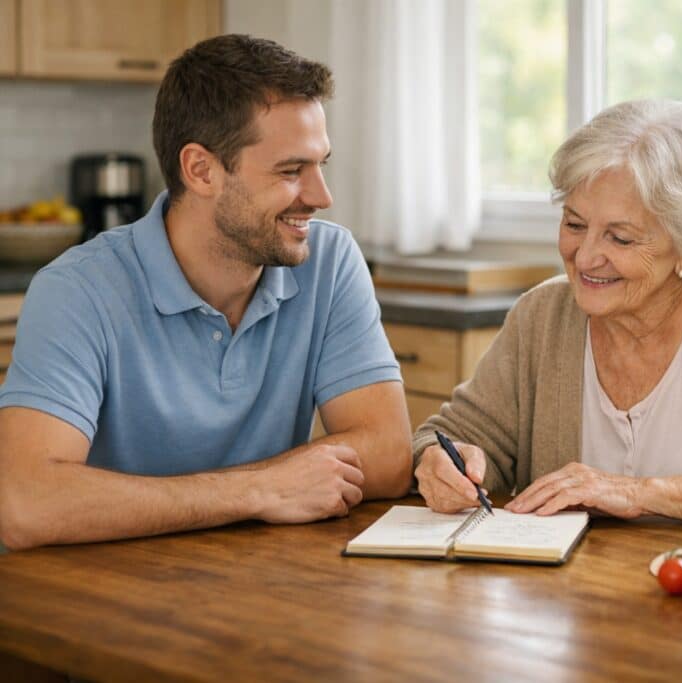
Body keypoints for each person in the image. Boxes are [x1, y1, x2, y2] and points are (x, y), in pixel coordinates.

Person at [0, 35, 412, 551]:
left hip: (254, 581)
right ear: (201, 170)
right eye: (291, 171)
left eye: (320, 164)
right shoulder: (77, 290)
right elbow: (26, 503)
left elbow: (390, 455)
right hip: (103, 594)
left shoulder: (329, 263)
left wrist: (249, 494)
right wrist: (258, 490)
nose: (321, 196)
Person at [413, 100, 682, 526]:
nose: (584, 258)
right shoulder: (542, 315)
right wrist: (447, 463)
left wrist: (640, 493)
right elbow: (447, 436)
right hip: (563, 593)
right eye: (574, 224)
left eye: (620, 238)